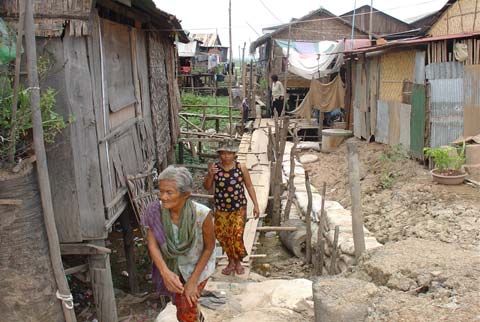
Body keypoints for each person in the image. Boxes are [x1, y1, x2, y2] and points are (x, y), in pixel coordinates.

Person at [142, 166, 216, 322]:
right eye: (160, 191)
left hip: (197, 267)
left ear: (186, 194)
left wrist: (192, 282)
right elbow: (152, 244)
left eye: (169, 192)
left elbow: (209, 248)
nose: (163, 197)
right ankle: (198, 316)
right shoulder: (155, 212)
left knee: (185, 308)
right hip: (172, 267)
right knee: (179, 303)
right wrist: (165, 272)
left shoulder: (202, 214)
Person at [203, 140, 260, 275]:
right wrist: (210, 175)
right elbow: (207, 187)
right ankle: (231, 261)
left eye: (229, 154)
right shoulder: (214, 167)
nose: (225, 156)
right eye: (222, 154)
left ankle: (238, 262)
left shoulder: (241, 168)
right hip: (221, 209)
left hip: (239, 207)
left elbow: (249, 186)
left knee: (237, 234)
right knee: (223, 236)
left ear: (234, 154)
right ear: (219, 155)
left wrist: (256, 205)